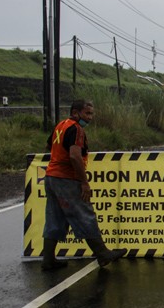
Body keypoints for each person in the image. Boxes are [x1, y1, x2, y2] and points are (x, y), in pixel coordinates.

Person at [42, 100, 127, 271]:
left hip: (51, 177)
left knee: (54, 218)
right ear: (75, 113)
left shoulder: (61, 125)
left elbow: (49, 146)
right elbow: (75, 156)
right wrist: (84, 182)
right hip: (67, 179)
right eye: (87, 114)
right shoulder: (76, 129)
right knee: (84, 213)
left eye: (91, 114)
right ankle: (102, 253)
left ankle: (48, 259)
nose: (90, 118)